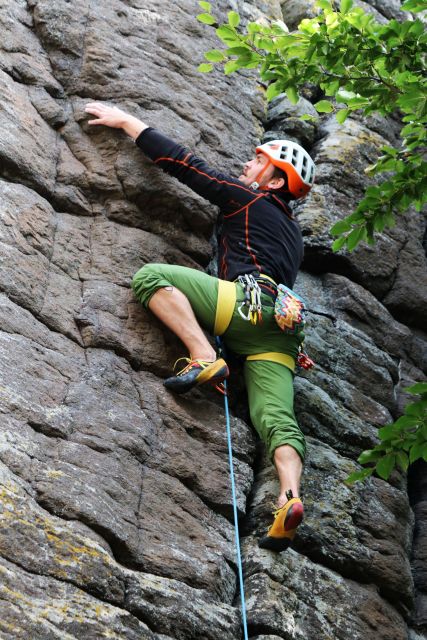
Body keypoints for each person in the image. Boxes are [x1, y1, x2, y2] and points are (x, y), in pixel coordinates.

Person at [84, 102, 315, 551]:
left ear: (274, 180)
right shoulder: (294, 235)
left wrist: (127, 121)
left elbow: (187, 166)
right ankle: (289, 497)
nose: (247, 165)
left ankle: (203, 355)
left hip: (245, 305)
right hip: (284, 332)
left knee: (152, 277)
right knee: (276, 419)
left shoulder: (249, 197)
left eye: (259, 161)